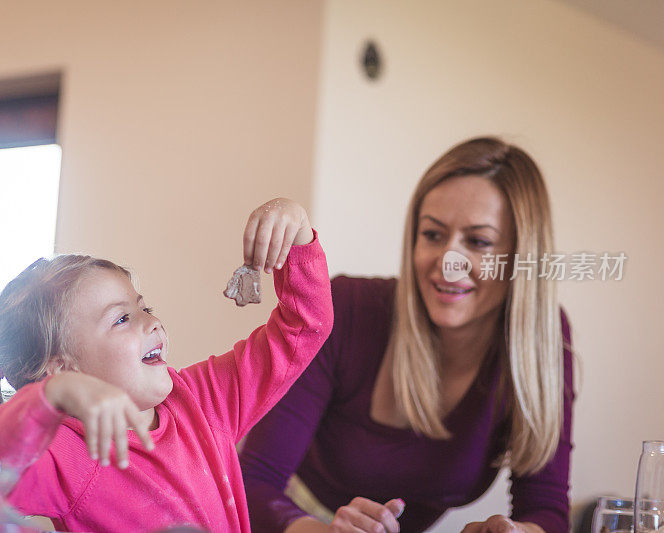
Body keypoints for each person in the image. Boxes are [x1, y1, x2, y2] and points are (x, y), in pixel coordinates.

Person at [240, 137, 574, 533]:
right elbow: (251, 480)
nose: (448, 263)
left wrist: (515, 532)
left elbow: (547, 510)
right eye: (432, 234)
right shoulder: (345, 308)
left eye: (479, 242)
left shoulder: (542, 339)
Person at [0, 198, 333, 533]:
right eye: (121, 319)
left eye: (143, 307)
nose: (151, 322)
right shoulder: (70, 453)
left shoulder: (204, 401)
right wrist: (48, 398)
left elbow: (304, 327)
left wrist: (296, 231)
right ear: (62, 371)